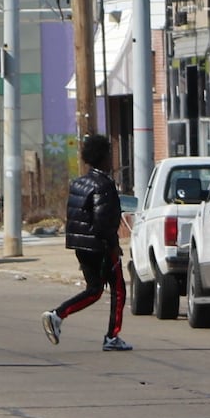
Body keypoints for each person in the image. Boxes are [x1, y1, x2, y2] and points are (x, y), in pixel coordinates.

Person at [43, 133, 132, 351]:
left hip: (81, 245)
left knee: (95, 289)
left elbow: (75, 217)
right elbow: (103, 221)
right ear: (102, 157)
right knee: (117, 289)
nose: (112, 160)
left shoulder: (79, 183)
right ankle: (110, 335)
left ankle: (58, 316)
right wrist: (113, 244)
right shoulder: (104, 185)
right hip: (100, 246)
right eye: (109, 155)